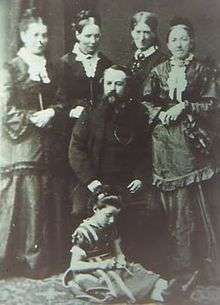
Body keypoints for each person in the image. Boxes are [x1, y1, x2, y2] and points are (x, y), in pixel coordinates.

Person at [143, 17, 220, 281]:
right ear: (167, 43)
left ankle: (197, 263)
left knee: (191, 202)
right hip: (163, 143)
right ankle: (174, 264)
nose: (178, 44)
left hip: (190, 143)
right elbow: (146, 101)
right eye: (173, 39)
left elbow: (212, 103)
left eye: (183, 39)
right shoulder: (158, 71)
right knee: (170, 203)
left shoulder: (202, 71)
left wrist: (185, 106)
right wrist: (159, 113)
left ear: (192, 42)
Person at [0, 8, 65, 278]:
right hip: (22, 141)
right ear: (24, 35)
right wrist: (31, 118)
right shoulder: (12, 67)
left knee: (45, 197)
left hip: (48, 140)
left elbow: (61, 99)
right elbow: (4, 109)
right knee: (24, 198)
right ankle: (18, 259)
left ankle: (41, 259)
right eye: (36, 34)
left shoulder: (52, 68)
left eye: (45, 35)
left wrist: (52, 112)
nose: (42, 40)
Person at [63, 185, 199, 304]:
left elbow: (118, 252)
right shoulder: (83, 232)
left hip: (110, 263)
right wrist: (101, 265)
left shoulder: (111, 228)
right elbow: (74, 266)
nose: (111, 220)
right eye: (108, 215)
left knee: (137, 272)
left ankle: (173, 289)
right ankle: (170, 297)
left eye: (115, 216)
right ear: (95, 209)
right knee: (119, 283)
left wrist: (121, 259)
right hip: (91, 270)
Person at [68, 65, 150, 257]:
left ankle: (130, 260)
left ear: (126, 86)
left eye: (119, 84)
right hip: (95, 181)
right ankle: (90, 260)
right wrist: (91, 182)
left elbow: (146, 150)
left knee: (147, 211)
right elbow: (76, 149)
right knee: (78, 210)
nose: (113, 88)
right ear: (103, 84)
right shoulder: (90, 111)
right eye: (109, 83)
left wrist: (140, 177)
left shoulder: (138, 113)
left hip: (127, 182)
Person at [129, 11, 166, 100]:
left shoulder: (163, 60)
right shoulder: (130, 60)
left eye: (146, 32)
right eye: (138, 32)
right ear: (132, 33)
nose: (142, 38)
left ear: (153, 34)